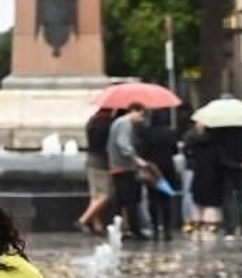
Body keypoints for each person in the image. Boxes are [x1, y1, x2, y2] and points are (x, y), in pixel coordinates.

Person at [106, 103, 150, 240]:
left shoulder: (118, 122)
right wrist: (136, 159)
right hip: (125, 167)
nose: (142, 120)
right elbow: (123, 144)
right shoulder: (125, 123)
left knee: (119, 201)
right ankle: (134, 229)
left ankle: (117, 229)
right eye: (141, 115)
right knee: (131, 200)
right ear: (133, 111)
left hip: (116, 166)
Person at [137, 111, 182, 241]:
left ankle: (156, 228)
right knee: (166, 199)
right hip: (168, 168)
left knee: (152, 199)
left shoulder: (146, 133)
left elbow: (142, 151)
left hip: (152, 170)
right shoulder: (170, 132)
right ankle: (168, 230)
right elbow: (175, 150)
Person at [77, 109, 114, 235]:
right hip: (102, 163)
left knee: (96, 196)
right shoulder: (108, 124)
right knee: (106, 194)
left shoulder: (92, 122)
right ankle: (83, 220)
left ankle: (97, 226)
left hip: (90, 160)